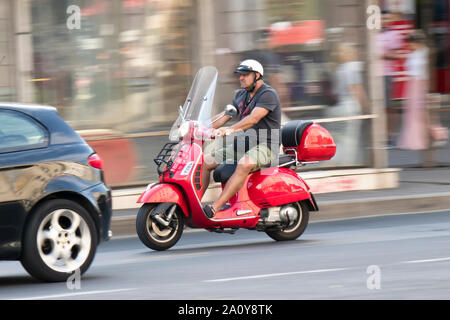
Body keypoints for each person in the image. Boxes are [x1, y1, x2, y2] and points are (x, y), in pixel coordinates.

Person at [202, 59, 281, 218]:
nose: (241, 78)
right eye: (240, 75)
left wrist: (230, 130)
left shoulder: (267, 94)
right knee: (205, 162)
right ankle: (195, 203)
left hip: (266, 145)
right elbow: (225, 116)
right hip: (245, 144)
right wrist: (202, 128)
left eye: (245, 74)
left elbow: (253, 119)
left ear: (257, 76)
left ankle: (215, 207)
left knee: (245, 163)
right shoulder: (241, 95)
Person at [326, 43, 370, 166]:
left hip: (340, 105)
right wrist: (365, 104)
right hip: (351, 105)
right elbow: (355, 88)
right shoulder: (352, 67)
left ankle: (336, 160)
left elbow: (335, 91)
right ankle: (347, 163)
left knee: (341, 138)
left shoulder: (339, 69)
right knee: (351, 139)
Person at [397, 30, 431, 150]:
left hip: (421, 83)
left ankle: (423, 138)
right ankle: (414, 139)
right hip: (412, 84)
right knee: (412, 112)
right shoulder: (413, 54)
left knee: (419, 112)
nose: (409, 45)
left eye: (410, 43)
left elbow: (426, 71)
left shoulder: (426, 53)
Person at [376, 10, 403, 146]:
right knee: (376, 108)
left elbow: (397, 55)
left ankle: (390, 136)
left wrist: (381, 55)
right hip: (373, 75)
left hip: (386, 74)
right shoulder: (372, 33)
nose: (384, 21)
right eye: (382, 18)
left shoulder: (394, 34)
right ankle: (379, 136)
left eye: (387, 18)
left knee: (387, 107)